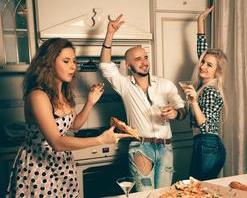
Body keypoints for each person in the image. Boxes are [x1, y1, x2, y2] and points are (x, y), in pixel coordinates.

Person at [6, 38, 130, 197]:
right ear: (49, 63)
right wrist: (101, 140)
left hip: (62, 164)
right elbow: (56, 142)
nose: (73, 66)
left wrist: (90, 102)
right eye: (66, 61)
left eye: (74, 61)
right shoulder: (38, 95)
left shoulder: (63, 93)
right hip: (39, 167)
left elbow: (74, 126)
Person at [99, 14, 187, 191]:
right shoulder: (124, 85)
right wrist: (110, 34)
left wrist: (175, 113)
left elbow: (183, 110)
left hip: (166, 148)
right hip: (141, 148)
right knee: (145, 195)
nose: (144, 62)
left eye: (145, 57)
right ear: (128, 65)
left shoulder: (164, 84)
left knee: (163, 195)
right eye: (138, 59)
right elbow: (105, 65)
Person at [181, 6, 228, 180]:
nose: (202, 66)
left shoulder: (210, 91)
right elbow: (203, 54)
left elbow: (205, 125)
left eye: (209, 65)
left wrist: (193, 101)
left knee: (198, 190)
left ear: (217, 71)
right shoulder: (205, 84)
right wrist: (200, 21)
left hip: (207, 143)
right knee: (198, 189)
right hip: (206, 145)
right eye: (203, 63)